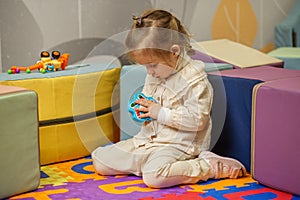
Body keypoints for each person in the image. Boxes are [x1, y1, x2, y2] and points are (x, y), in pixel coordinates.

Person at [92, 9, 246, 188]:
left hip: (179, 146)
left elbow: (198, 121)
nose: (149, 72)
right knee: (99, 159)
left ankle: (207, 165)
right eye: (145, 66)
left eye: (152, 65)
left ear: (174, 52)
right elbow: (149, 102)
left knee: (153, 177)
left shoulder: (194, 79)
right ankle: (154, 164)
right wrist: (141, 109)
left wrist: (159, 112)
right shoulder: (156, 73)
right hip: (148, 142)